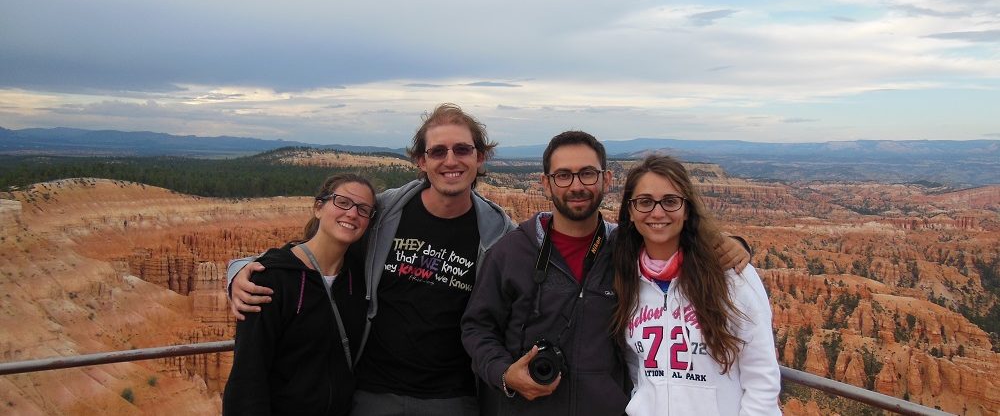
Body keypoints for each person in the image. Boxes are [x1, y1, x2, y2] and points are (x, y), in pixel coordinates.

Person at [228, 103, 516, 416]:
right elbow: (324, 243)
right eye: (437, 152)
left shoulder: (500, 234)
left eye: (462, 149)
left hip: (452, 399)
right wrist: (242, 270)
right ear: (421, 160)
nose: (451, 160)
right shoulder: (386, 211)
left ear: (480, 156)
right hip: (373, 394)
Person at [461, 132, 752, 416]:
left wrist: (735, 244)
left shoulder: (627, 249)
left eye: (588, 173)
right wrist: (504, 374)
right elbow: (477, 328)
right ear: (546, 184)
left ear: (607, 180)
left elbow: (676, 236)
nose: (577, 185)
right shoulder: (512, 252)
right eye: (563, 175)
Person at [611, 155, 780, 415]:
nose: (657, 212)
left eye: (670, 201)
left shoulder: (732, 276)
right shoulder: (626, 279)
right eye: (644, 202)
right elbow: (637, 370)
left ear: (687, 209)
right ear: (631, 212)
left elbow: (762, 379)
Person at [223, 173, 377, 416]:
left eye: (363, 209)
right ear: (318, 207)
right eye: (343, 202)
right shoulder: (271, 278)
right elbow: (247, 377)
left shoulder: (360, 278)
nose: (352, 213)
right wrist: (237, 273)